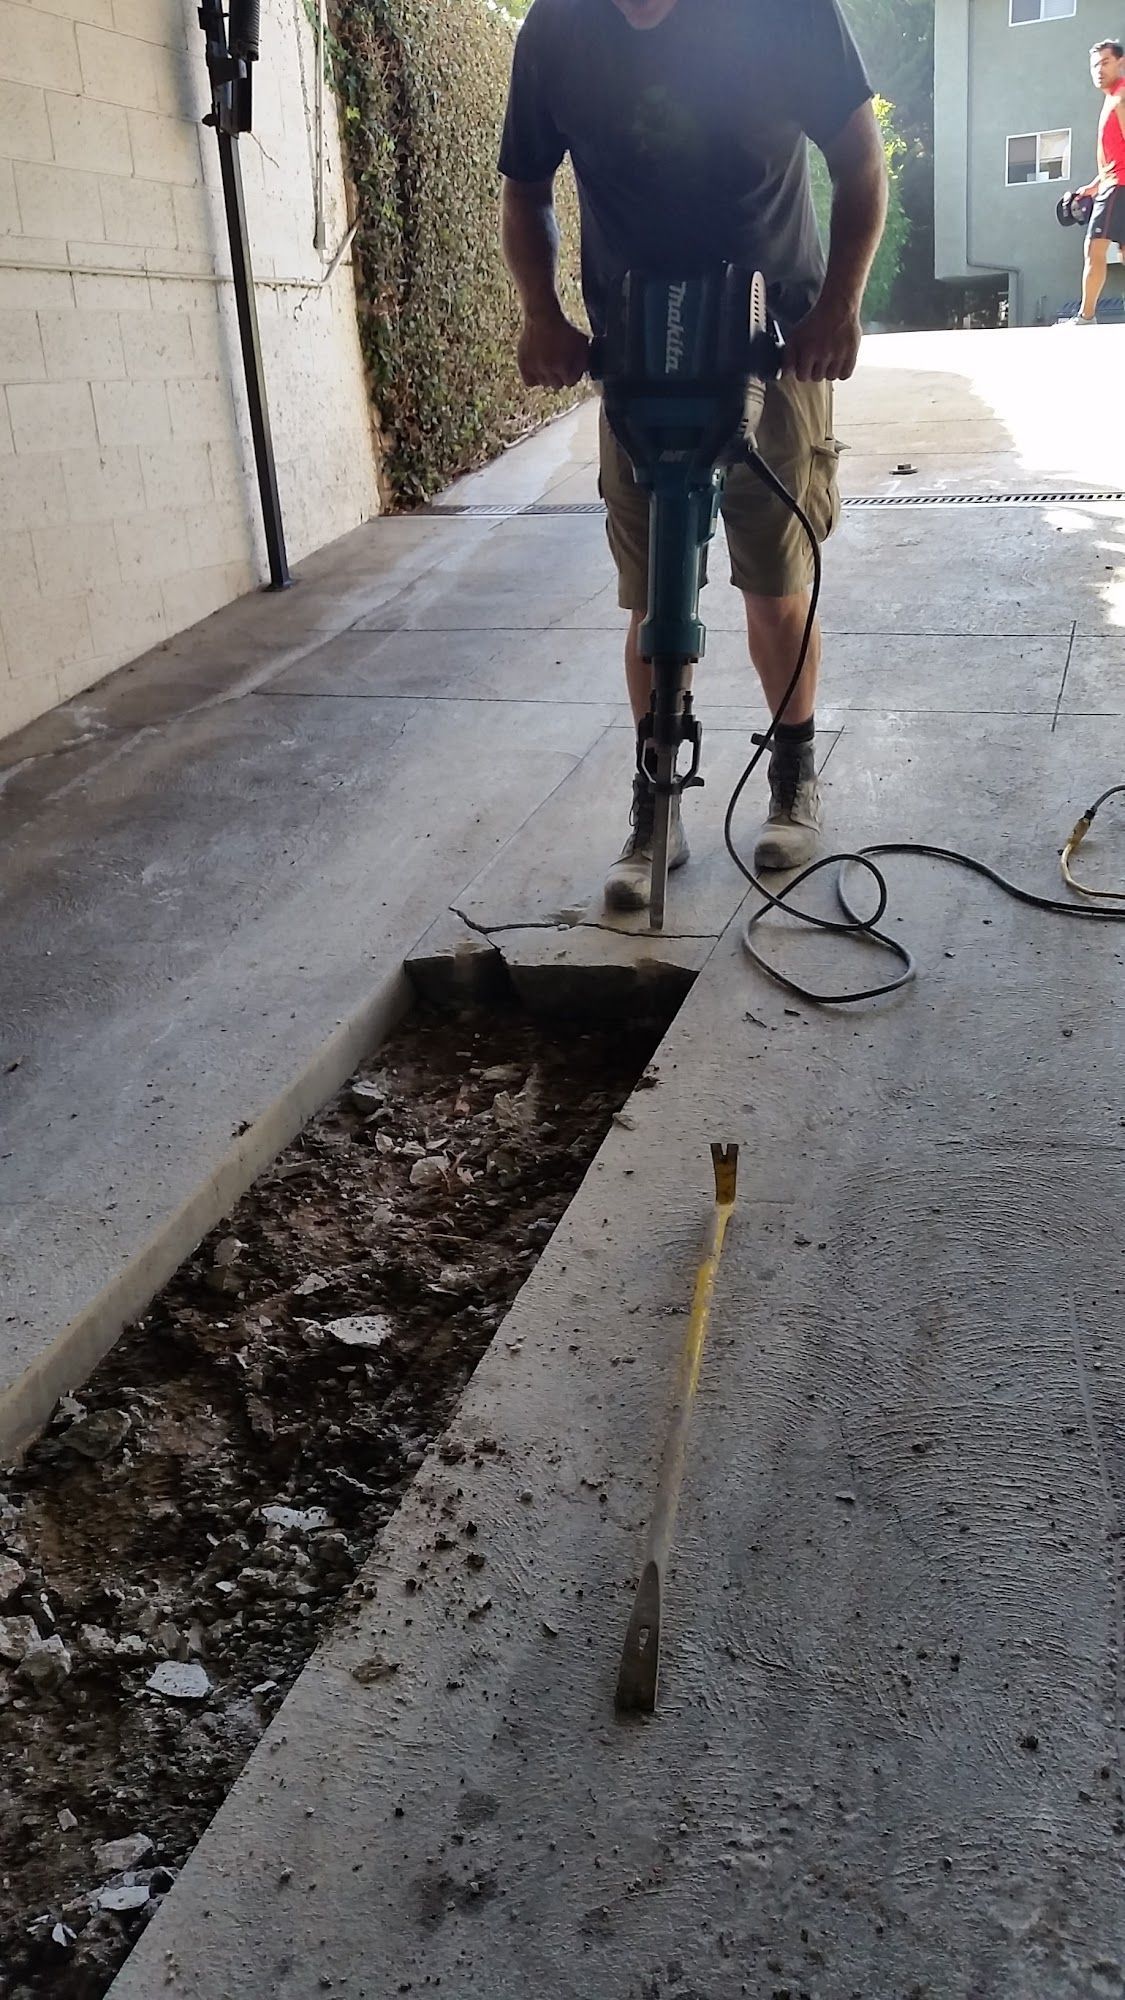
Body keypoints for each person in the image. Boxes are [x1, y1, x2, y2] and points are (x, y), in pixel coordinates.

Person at [499, 0, 887, 913]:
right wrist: (541, 313)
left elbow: (859, 161)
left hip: (773, 343)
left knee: (774, 586)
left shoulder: (786, 13)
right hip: (636, 345)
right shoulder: (556, 28)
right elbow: (525, 189)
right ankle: (656, 805)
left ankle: (791, 776)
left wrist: (837, 308)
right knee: (650, 594)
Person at [1066, 39, 1125, 327]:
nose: (1099, 70)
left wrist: (1106, 186)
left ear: (1121, 63)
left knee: (1094, 249)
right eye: (1095, 65)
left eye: (1105, 62)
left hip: (1119, 186)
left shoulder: (1121, 97)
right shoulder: (1111, 98)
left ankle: (1086, 317)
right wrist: (1093, 186)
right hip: (1113, 182)